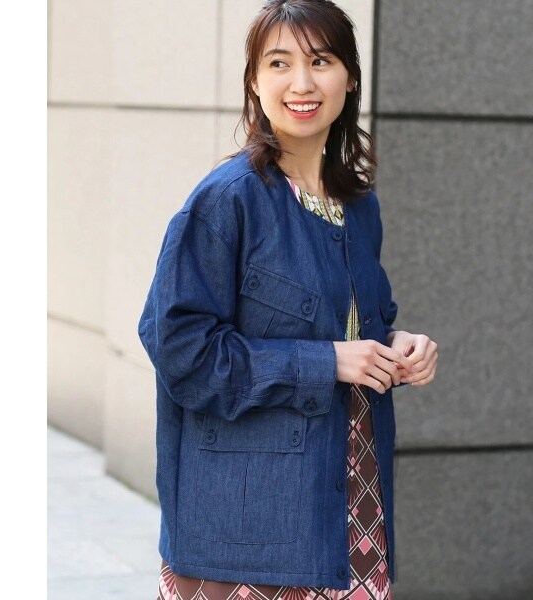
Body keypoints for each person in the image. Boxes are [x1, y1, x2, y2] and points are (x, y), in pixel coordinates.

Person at [138, 1, 438, 599]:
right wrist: (326, 362)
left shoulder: (359, 206)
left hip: (351, 513)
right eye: (279, 63)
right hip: (249, 530)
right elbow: (180, 351)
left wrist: (397, 348)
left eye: (320, 61)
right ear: (254, 80)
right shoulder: (227, 201)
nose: (301, 83)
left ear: (350, 78)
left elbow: (354, 332)